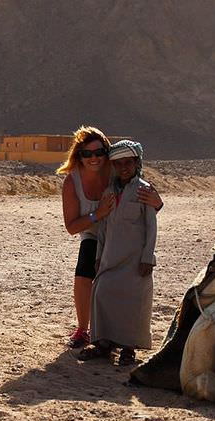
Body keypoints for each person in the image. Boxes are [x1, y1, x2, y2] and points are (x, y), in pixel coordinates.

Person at [58, 127, 163, 349]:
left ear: (108, 153)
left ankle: (119, 335)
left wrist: (158, 203)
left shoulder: (117, 169)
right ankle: (83, 329)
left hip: (122, 234)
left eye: (99, 152)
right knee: (85, 271)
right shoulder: (72, 182)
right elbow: (71, 226)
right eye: (87, 154)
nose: (94, 158)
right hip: (93, 231)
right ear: (79, 155)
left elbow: (144, 199)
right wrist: (99, 214)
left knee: (121, 281)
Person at [79, 140, 156, 365]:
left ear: (136, 163)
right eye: (118, 163)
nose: (123, 168)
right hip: (110, 258)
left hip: (135, 260)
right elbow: (103, 227)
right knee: (102, 292)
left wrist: (147, 257)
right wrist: (98, 257)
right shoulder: (109, 191)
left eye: (128, 163)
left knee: (132, 301)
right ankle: (104, 343)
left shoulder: (145, 190)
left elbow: (151, 227)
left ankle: (129, 349)